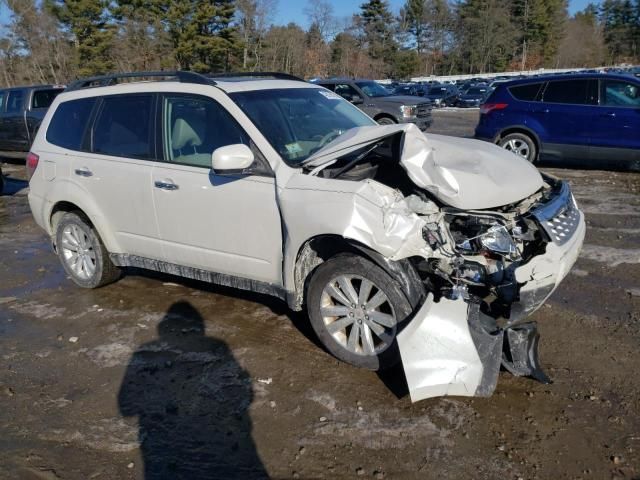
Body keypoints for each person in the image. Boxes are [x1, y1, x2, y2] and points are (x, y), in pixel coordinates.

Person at [118, 301, 267, 479]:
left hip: (169, 457)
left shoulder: (143, 353)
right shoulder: (219, 347)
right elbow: (246, 395)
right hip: (229, 450)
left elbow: (125, 407)